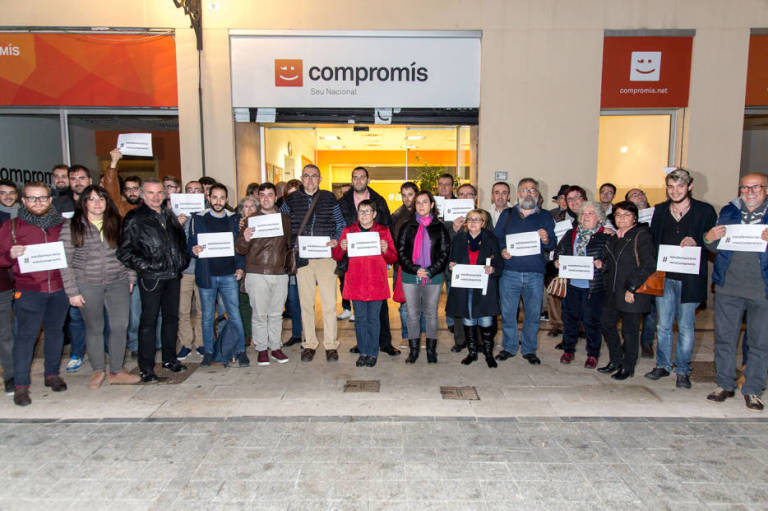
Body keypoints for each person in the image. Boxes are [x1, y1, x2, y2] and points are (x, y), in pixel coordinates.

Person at [59, 186, 140, 389]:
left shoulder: (117, 224)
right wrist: (72, 292)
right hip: (87, 283)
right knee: (95, 328)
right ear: (84, 202)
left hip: (118, 282)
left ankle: (116, 370)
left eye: (101, 199)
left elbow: (128, 253)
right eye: (92, 199)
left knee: (119, 326)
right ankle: (98, 370)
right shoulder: (72, 226)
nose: (97, 203)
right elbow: (64, 262)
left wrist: (131, 276)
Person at [645, 169, 717, 389]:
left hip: (690, 279)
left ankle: (683, 369)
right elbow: (653, 241)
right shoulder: (659, 210)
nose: (675, 191)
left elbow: (713, 243)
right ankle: (663, 365)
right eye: (671, 186)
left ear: (690, 187)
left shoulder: (705, 211)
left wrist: (699, 242)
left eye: (680, 186)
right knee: (663, 325)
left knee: (686, 326)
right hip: (664, 277)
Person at [704, 173, 768, 411]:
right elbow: (714, 245)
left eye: (755, 187)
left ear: (765, 190)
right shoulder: (729, 211)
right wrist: (708, 238)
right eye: (745, 187)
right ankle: (724, 384)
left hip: (762, 289)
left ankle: (753, 389)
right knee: (724, 338)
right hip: (728, 287)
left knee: (760, 342)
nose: (749, 192)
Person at [0, 181, 68, 406]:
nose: (37, 202)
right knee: (25, 338)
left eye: (42, 198)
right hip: (29, 291)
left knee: (55, 332)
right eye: (32, 198)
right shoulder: (11, 227)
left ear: (50, 200)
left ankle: (51, 375)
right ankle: (21, 386)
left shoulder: (63, 225)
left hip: (59, 290)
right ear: (23, 201)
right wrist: (10, 255)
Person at [117, 178, 190, 383]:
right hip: (152, 277)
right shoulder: (135, 218)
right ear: (142, 194)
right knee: (148, 322)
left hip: (173, 275)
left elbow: (180, 242)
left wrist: (182, 261)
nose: (156, 196)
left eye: (159, 192)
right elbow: (124, 252)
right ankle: (146, 367)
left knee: (171, 319)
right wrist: (147, 267)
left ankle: (169, 359)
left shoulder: (169, 215)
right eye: (151, 193)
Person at [280, 164, 345, 362]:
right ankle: (309, 343)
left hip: (326, 257)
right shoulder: (291, 200)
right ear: (301, 178)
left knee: (329, 304)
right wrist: (291, 243)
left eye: (314, 176)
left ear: (320, 179)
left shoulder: (329, 198)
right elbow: (280, 221)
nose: (310, 180)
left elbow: (340, 223)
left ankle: (331, 345)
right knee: (306, 303)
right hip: (303, 258)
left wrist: (336, 238)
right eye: (306, 176)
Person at [493, 178, 556, 365]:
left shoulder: (545, 216)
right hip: (510, 273)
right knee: (508, 313)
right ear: (518, 194)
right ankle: (510, 347)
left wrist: (546, 240)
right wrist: (502, 250)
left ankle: (529, 349)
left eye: (532, 190)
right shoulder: (508, 214)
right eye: (524, 190)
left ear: (537, 194)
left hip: (534, 274)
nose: (528, 193)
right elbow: (497, 239)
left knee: (533, 314)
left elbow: (552, 243)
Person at [338, 166, 399, 355]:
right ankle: (364, 345)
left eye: (361, 177)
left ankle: (383, 343)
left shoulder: (378, 200)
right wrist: (340, 245)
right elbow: (339, 225)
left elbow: (387, 225)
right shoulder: (343, 202)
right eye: (354, 177)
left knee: (378, 312)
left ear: (368, 179)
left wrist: (385, 248)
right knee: (361, 313)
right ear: (351, 180)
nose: (358, 180)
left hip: (374, 264)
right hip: (352, 261)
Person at [188, 183, 248, 367]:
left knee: (234, 314)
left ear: (227, 200)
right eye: (215, 197)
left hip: (229, 274)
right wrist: (193, 250)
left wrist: (240, 267)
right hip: (207, 274)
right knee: (207, 316)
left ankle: (241, 351)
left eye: (222, 198)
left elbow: (239, 246)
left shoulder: (233, 219)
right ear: (208, 197)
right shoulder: (198, 219)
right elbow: (190, 242)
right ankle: (209, 351)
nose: (218, 201)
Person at [596, 200, 656, 380]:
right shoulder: (614, 238)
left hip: (632, 292)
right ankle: (615, 359)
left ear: (635, 217)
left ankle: (628, 367)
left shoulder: (641, 236)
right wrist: (602, 263)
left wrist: (632, 287)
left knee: (629, 332)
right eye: (618, 215)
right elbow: (613, 262)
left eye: (626, 215)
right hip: (613, 291)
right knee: (606, 324)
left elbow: (648, 265)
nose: (622, 219)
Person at [236, 183, 291, 366]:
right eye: (263, 195)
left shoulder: (284, 219)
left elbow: (289, 244)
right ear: (259, 198)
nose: (266, 198)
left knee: (276, 314)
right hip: (257, 272)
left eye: (270, 195)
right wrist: (245, 238)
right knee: (260, 314)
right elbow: (240, 249)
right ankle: (261, 348)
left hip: (280, 273)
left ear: (276, 197)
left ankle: (275, 347)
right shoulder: (249, 220)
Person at [553, 201, 610, 368]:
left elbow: (612, 261)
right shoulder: (571, 234)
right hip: (572, 285)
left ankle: (592, 354)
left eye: (590, 213)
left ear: (599, 218)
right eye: (583, 213)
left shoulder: (606, 236)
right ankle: (568, 350)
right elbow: (559, 251)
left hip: (594, 287)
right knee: (570, 319)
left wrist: (602, 264)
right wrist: (557, 261)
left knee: (592, 322)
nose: (586, 216)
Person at [445, 209, 503, 367]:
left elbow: (499, 264)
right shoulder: (459, 239)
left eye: (477, 219)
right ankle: (471, 353)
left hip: (484, 287)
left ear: (483, 223)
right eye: (470, 219)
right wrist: (452, 265)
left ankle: (488, 353)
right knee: (468, 319)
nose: (473, 222)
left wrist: (493, 269)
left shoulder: (491, 239)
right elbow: (452, 259)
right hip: (465, 287)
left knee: (485, 320)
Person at [397, 191, 450, 364]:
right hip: (410, 275)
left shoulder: (440, 227)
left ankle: (431, 351)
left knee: (431, 314)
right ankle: (413, 351)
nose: (421, 205)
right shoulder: (407, 226)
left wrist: (430, 270)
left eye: (425, 202)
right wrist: (415, 269)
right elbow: (401, 252)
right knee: (412, 314)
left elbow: (444, 253)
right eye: (418, 202)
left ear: (432, 205)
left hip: (433, 276)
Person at [391, 182, 425, 342]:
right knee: (405, 304)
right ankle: (407, 335)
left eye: (410, 194)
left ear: (417, 194)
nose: (406, 198)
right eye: (403, 195)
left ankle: (423, 335)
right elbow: (395, 244)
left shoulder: (426, 214)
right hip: (403, 267)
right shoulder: (397, 217)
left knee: (424, 303)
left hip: (425, 266)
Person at [176, 180, 205, 360]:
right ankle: (186, 343)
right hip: (184, 270)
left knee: (203, 309)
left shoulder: (207, 213)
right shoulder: (174, 214)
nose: (193, 193)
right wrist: (177, 225)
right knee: (183, 310)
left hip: (202, 269)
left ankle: (201, 342)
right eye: (190, 190)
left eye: (197, 190)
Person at [625, 186, 656, 357]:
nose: (637, 196)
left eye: (639, 193)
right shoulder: (625, 219)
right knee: (629, 307)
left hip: (653, 266)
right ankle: (629, 340)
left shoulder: (658, 213)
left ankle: (647, 342)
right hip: (633, 267)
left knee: (650, 309)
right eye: (632, 195)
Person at [281, 179, 303, 346]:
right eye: (290, 195)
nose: (293, 198)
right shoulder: (282, 212)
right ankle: (296, 333)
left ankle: (308, 335)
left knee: (306, 300)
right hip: (291, 259)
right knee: (294, 299)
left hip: (308, 258)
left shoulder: (308, 208)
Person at [236, 195, 259, 347]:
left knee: (258, 305)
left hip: (257, 268)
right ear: (241, 210)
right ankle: (246, 334)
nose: (249, 209)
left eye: (252, 207)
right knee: (243, 304)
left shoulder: (262, 223)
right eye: (246, 206)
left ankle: (259, 336)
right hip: (242, 268)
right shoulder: (236, 224)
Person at [0, 211, 14, 394]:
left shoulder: (4, 220)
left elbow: (6, 254)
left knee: (4, 334)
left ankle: (10, 375)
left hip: (1, 286)